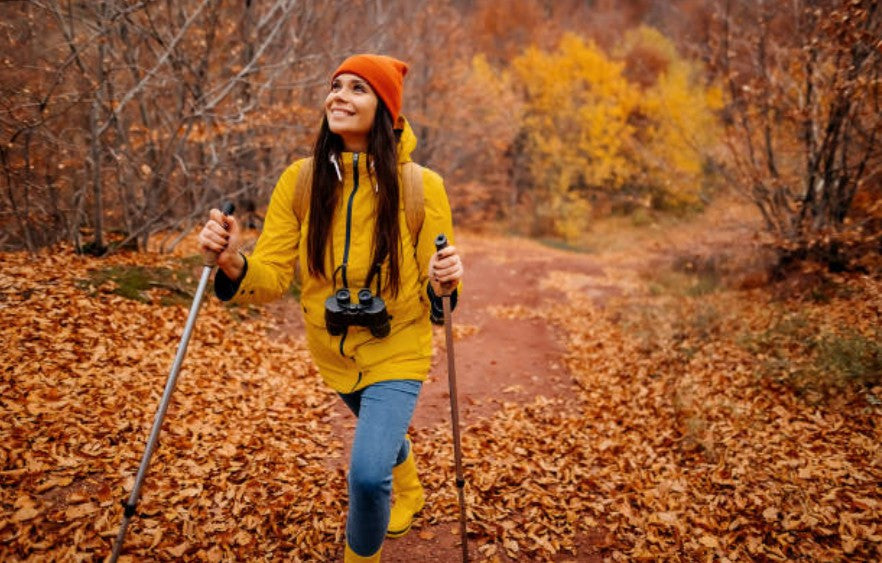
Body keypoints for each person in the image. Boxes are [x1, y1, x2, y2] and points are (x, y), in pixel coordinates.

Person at [198, 54, 463, 562]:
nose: (339, 95)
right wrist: (231, 260)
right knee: (381, 440)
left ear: (385, 110)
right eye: (336, 85)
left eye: (358, 89)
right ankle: (410, 489)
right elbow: (273, 276)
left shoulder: (420, 187)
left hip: (397, 347)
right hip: (332, 352)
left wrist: (443, 279)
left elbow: (441, 291)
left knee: (367, 475)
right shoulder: (301, 181)